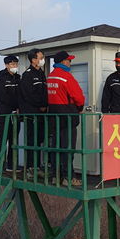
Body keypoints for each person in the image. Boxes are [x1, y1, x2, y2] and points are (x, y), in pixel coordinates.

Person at [46, 50, 85, 185]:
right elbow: (78, 97)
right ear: (62, 62)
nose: (70, 63)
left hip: (53, 115)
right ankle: (68, 177)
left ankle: (55, 176)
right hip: (67, 115)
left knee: (56, 147)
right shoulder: (66, 77)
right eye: (69, 60)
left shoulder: (50, 77)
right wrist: (80, 108)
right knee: (68, 148)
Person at [18, 48, 48, 176]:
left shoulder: (41, 73)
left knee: (39, 139)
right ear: (33, 60)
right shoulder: (27, 75)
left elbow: (44, 92)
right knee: (32, 140)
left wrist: (45, 105)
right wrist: (40, 105)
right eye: (40, 58)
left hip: (42, 113)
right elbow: (28, 95)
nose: (43, 60)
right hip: (31, 113)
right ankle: (30, 167)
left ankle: (37, 166)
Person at [0, 55, 20, 171]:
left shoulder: (18, 78)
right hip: (3, 114)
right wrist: (15, 105)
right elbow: (2, 96)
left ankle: (11, 165)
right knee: (3, 140)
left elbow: (21, 95)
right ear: (6, 65)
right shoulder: (0, 78)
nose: (14, 66)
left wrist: (19, 107)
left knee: (14, 140)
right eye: (12, 64)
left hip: (16, 115)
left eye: (15, 64)